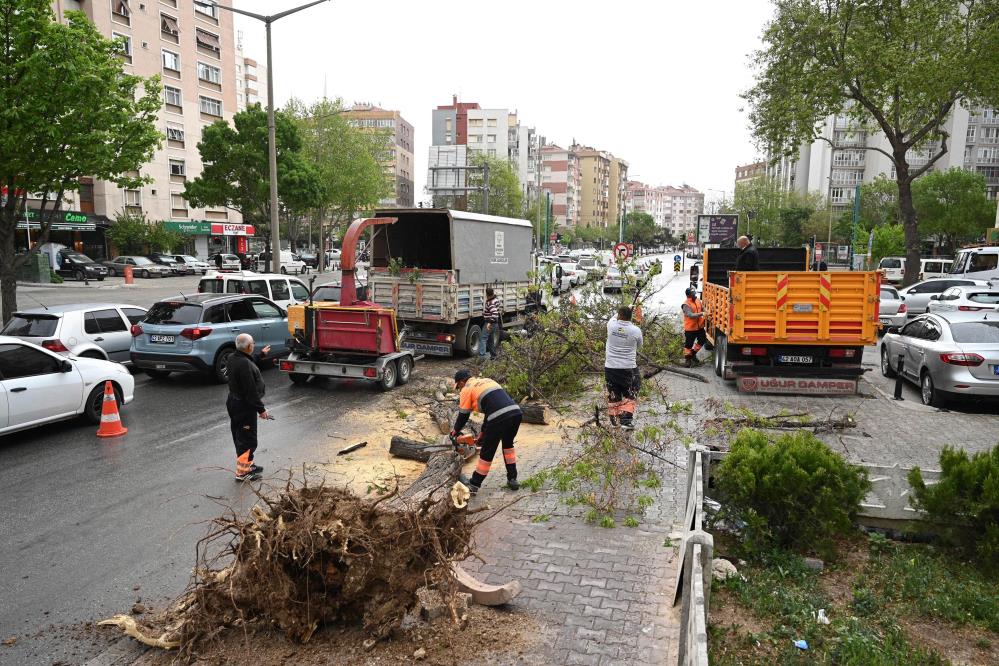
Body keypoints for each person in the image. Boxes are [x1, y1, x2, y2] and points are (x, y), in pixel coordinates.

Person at [451, 369, 522, 494]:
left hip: (498, 417)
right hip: (515, 413)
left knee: (487, 452)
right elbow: (492, 409)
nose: (459, 389)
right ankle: (512, 478)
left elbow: (463, 415)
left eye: (458, 386)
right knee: (508, 446)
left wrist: (455, 431)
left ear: (462, 381)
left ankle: (474, 484)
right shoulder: (487, 381)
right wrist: (483, 433)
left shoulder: (467, 389)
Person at [227, 333, 272, 482]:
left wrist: (260, 355)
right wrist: (261, 409)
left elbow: (247, 363)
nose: (254, 344)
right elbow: (250, 390)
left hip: (235, 403)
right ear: (248, 346)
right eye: (253, 343)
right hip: (244, 406)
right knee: (247, 440)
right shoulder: (243, 363)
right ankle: (242, 473)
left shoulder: (234, 357)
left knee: (241, 436)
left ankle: (248, 464)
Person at [604, 305, 643, 430]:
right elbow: (639, 345)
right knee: (631, 390)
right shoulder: (636, 330)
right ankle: (625, 420)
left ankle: (614, 420)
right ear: (630, 316)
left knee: (614, 392)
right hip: (628, 368)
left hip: (610, 367)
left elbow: (614, 317)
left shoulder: (611, 326)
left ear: (619, 315)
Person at [682, 287, 708, 368]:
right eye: (693, 293)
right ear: (688, 295)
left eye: (694, 292)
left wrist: (706, 311)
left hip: (699, 327)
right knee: (688, 345)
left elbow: (702, 308)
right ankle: (687, 360)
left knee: (702, 340)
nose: (694, 294)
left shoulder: (697, 301)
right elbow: (691, 315)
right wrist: (702, 314)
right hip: (690, 329)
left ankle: (692, 355)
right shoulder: (685, 305)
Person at [480, 287, 501, 360]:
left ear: (487, 294)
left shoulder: (490, 303)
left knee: (483, 338)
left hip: (490, 323)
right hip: (495, 324)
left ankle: (482, 357)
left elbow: (494, 314)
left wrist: (489, 322)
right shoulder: (496, 300)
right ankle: (494, 356)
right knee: (490, 340)